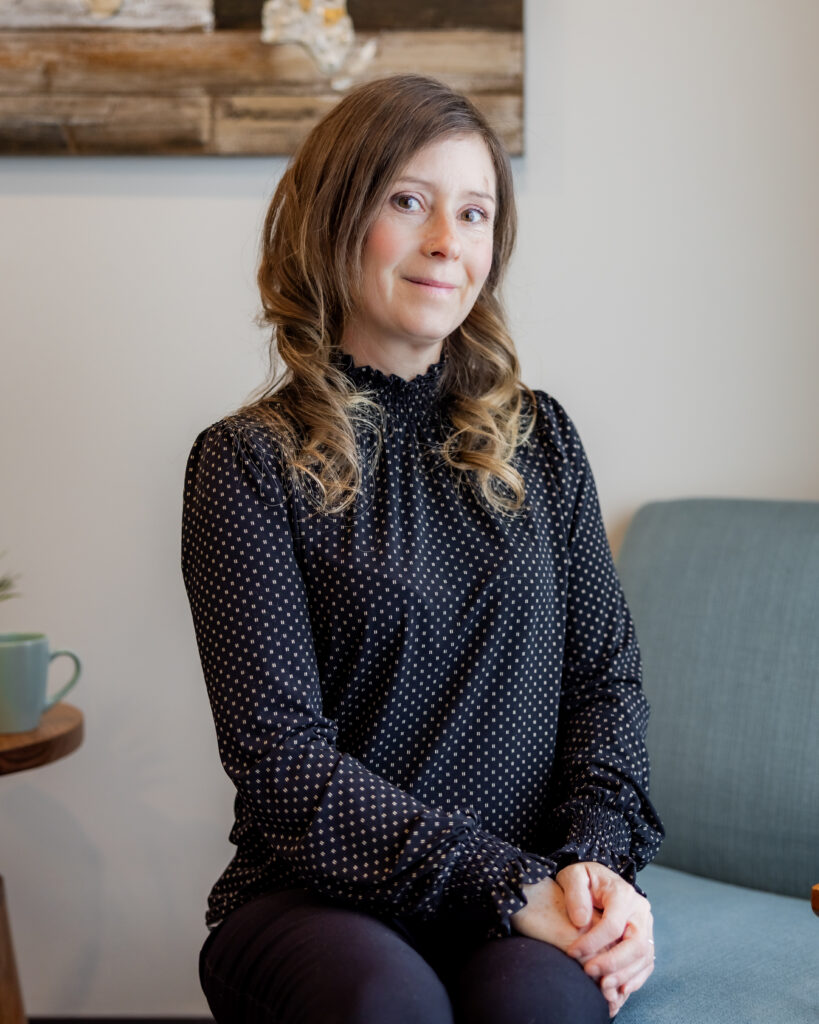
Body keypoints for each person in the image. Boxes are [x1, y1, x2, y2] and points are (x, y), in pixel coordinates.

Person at [182, 73, 664, 1024]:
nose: (450, 241)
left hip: (528, 894)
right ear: (335, 217)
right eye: (410, 202)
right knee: (385, 1003)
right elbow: (280, 761)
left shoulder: (543, 441)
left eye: (475, 213)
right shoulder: (247, 463)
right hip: (319, 899)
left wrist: (595, 874)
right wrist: (508, 885)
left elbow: (606, 687)